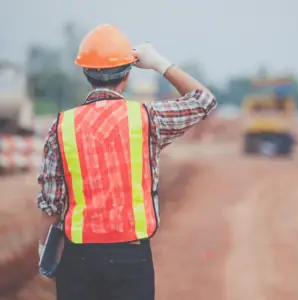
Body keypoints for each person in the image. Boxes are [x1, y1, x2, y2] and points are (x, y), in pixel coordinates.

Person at [36, 23, 217, 300]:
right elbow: (204, 100)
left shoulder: (61, 126)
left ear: (86, 73)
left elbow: (50, 202)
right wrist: (159, 64)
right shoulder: (148, 119)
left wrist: (44, 249)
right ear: (127, 75)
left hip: (78, 258)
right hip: (131, 258)